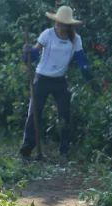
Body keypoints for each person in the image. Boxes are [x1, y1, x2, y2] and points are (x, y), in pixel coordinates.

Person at [20, 5, 92, 159]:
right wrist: (28, 52)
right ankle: (27, 146)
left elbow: (81, 59)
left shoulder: (76, 40)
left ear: (69, 25)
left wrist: (89, 76)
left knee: (65, 114)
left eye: (64, 23)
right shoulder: (47, 34)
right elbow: (35, 52)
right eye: (58, 22)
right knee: (34, 112)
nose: (60, 26)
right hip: (42, 78)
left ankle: (64, 150)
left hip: (60, 80)